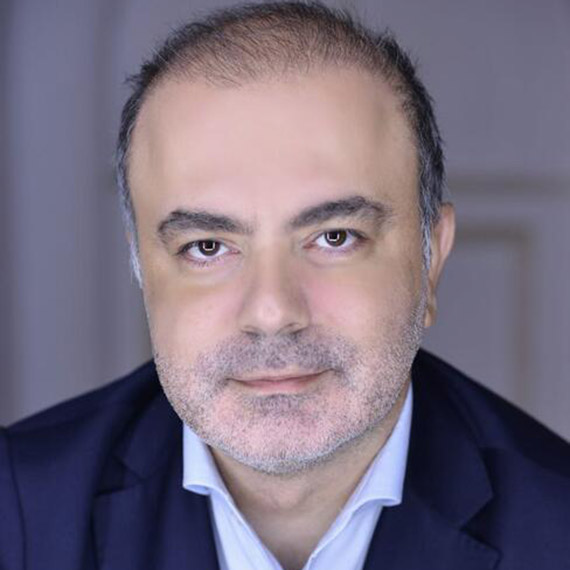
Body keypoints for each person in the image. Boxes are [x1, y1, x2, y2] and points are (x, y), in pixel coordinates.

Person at [1, 2, 569, 569]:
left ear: (432, 258)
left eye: (335, 237)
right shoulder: (15, 512)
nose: (272, 311)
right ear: (141, 269)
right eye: (207, 246)